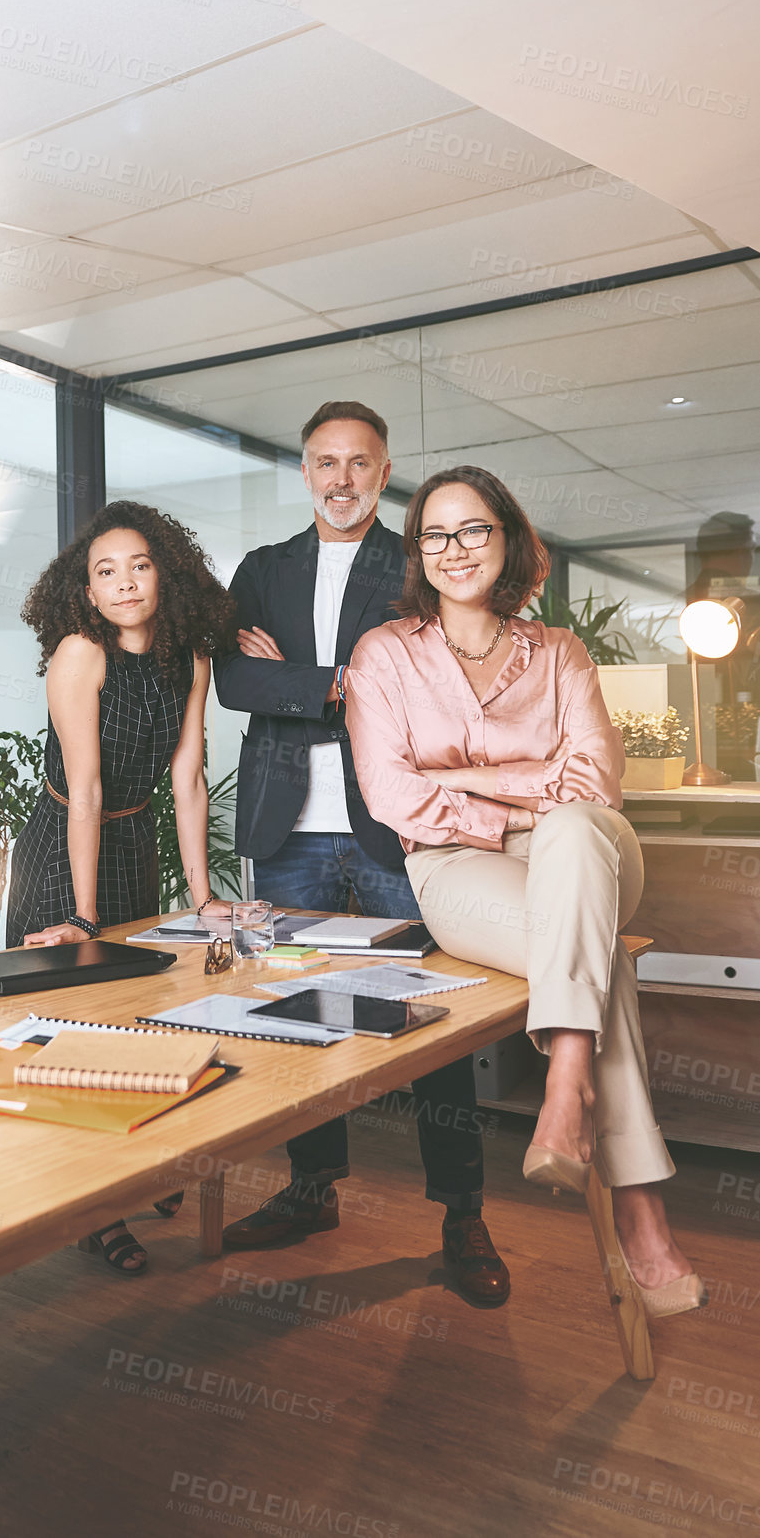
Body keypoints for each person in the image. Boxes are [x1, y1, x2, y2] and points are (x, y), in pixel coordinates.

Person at [346, 464, 704, 1317]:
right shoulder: (384, 655)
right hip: (454, 867)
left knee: (575, 833)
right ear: (416, 552)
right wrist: (519, 789)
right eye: (434, 534)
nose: (453, 549)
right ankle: (640, 1208)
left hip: (586, 849)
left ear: (506, 538)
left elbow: (594, 784)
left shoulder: (560, 653)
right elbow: (390, 795)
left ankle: (565, 1077)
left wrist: (481, 783)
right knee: (593, 957)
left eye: (473, 529)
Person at [214, 403, 509, 1308]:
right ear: (304, 471)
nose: (340, 479)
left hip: (395, 827)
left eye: (359, 464)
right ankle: (311, 1189)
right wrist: (342, 681)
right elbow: (232, 678)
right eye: (323, 462)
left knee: (434, 1022)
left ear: (384, 476)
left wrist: (302, 680)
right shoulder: (262, 572)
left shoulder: (413, 562)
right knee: (300, 1019)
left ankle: (462, 1212)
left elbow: (434, 682)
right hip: (287, 830)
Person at [7, 500, 236, 1276]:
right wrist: (81, 915)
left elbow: (189, 779)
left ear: (163, 573)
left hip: (133, 838)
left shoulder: (190, 659)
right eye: (105, 572)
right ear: (88, 591)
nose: (125, 582)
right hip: (65, 838)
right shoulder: (80, 653)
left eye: (138, 565)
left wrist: (203, 897)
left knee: (130, 1021)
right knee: (71, 1022)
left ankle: (127, 1170)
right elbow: (86, 787)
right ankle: (91, 1213)